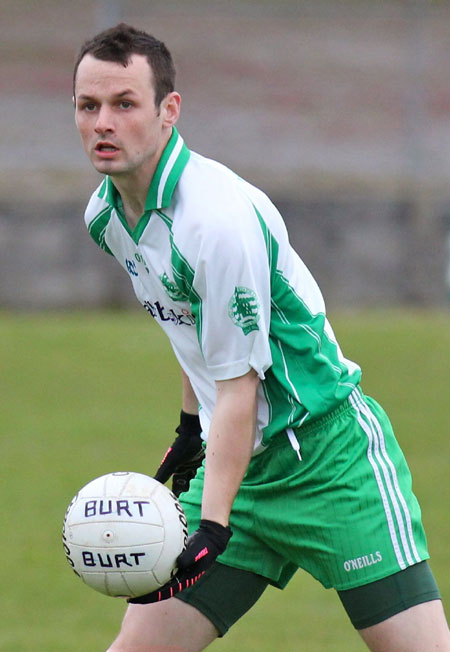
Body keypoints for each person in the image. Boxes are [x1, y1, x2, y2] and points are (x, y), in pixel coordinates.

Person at [73, 23, 450, 652]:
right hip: (237, 469)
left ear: (169, 112)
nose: (103, 123)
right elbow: (190, 323)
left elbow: (240, 385)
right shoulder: (107, 216)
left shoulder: (216, 222)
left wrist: (213, 527)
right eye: (89, 106)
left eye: (124, 104)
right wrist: (191, 428)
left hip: (327, 460)